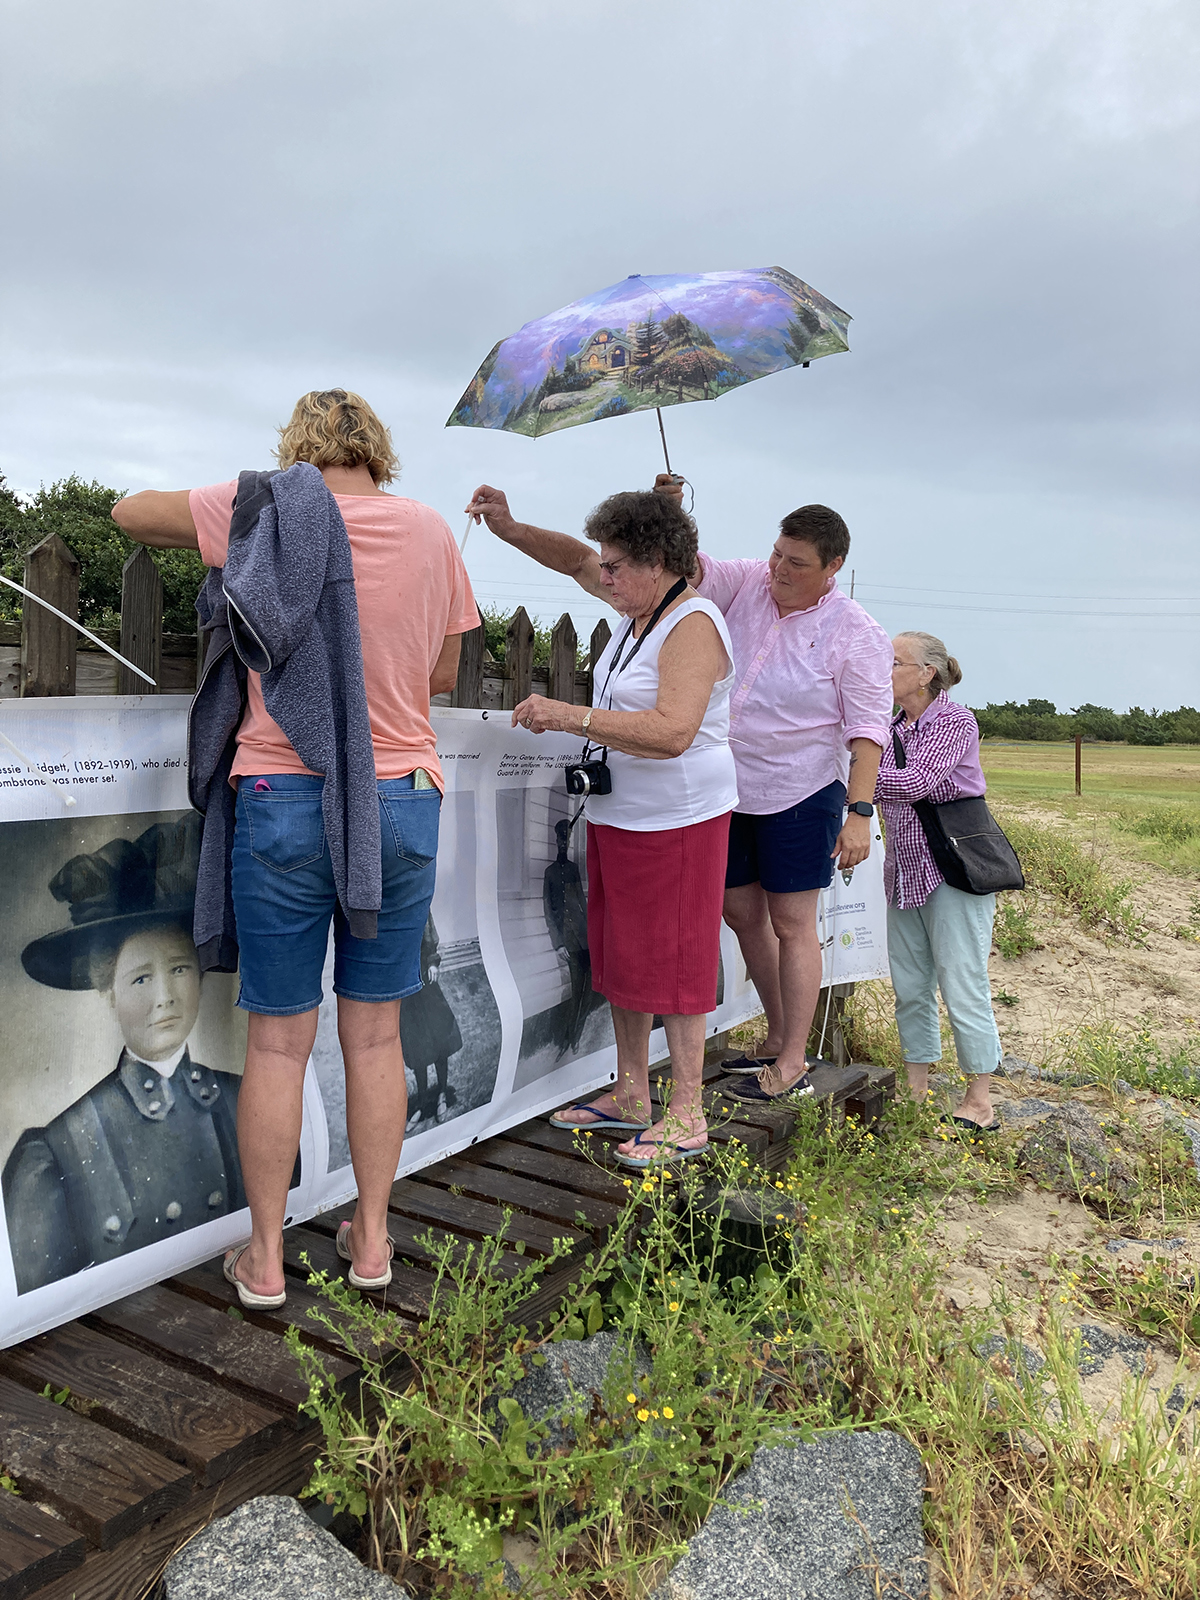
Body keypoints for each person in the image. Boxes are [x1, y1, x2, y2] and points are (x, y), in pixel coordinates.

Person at [112, 388, 478, 1306]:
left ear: (298, 451)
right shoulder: (432, 531)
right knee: (378, 1033)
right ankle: (372, 1243)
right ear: (377, 451)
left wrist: (247, 498)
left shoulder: (268, 514)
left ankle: (266, 1259)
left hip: (282, 797)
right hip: (401, 797)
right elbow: (440, 672)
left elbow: (124, 512)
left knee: (277, 1046)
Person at [466, 478, 893, 1105]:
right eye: (776, 553)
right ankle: (774, 1033)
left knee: (793, 920)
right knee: (742, 915)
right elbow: (613, 563)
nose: (778, 569)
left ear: (833, 569)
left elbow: (866, 729)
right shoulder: (743, 582)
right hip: (729, 788)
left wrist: (859, 811)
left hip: (798, 787)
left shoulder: (855, 632)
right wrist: (518, 528)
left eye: (796, 563)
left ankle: (795, 1055)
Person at [464, 486, 737, 1168]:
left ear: (658, 562)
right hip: (624, 814)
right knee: (619, 950)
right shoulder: (636, 612)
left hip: (679, 817)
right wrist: (509, 527)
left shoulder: (692, 624)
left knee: (673, 960)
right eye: (607, 567)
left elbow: (674, 732)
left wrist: (570, 716)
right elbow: (576, 559)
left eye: (618, 567)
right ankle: (631, 1093)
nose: (604, 576)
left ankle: (688, 1113)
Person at [3, 817, 245, 1293]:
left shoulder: (244, 1099)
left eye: (179, 968)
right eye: (139, 978)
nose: (164, 997)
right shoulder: (59, 1149)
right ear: (107, 991)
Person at [874, 632, 1002, 1130]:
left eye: (893, 662)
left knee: (962, 983)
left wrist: (856, 779)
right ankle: (916, 1090)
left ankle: (980, 1100)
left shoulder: (955, 720)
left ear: (925, 673)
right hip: (903, 874)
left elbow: (917, 783)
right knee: (910, 986)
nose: (884, 670)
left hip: (952, 872)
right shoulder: (890, 725)